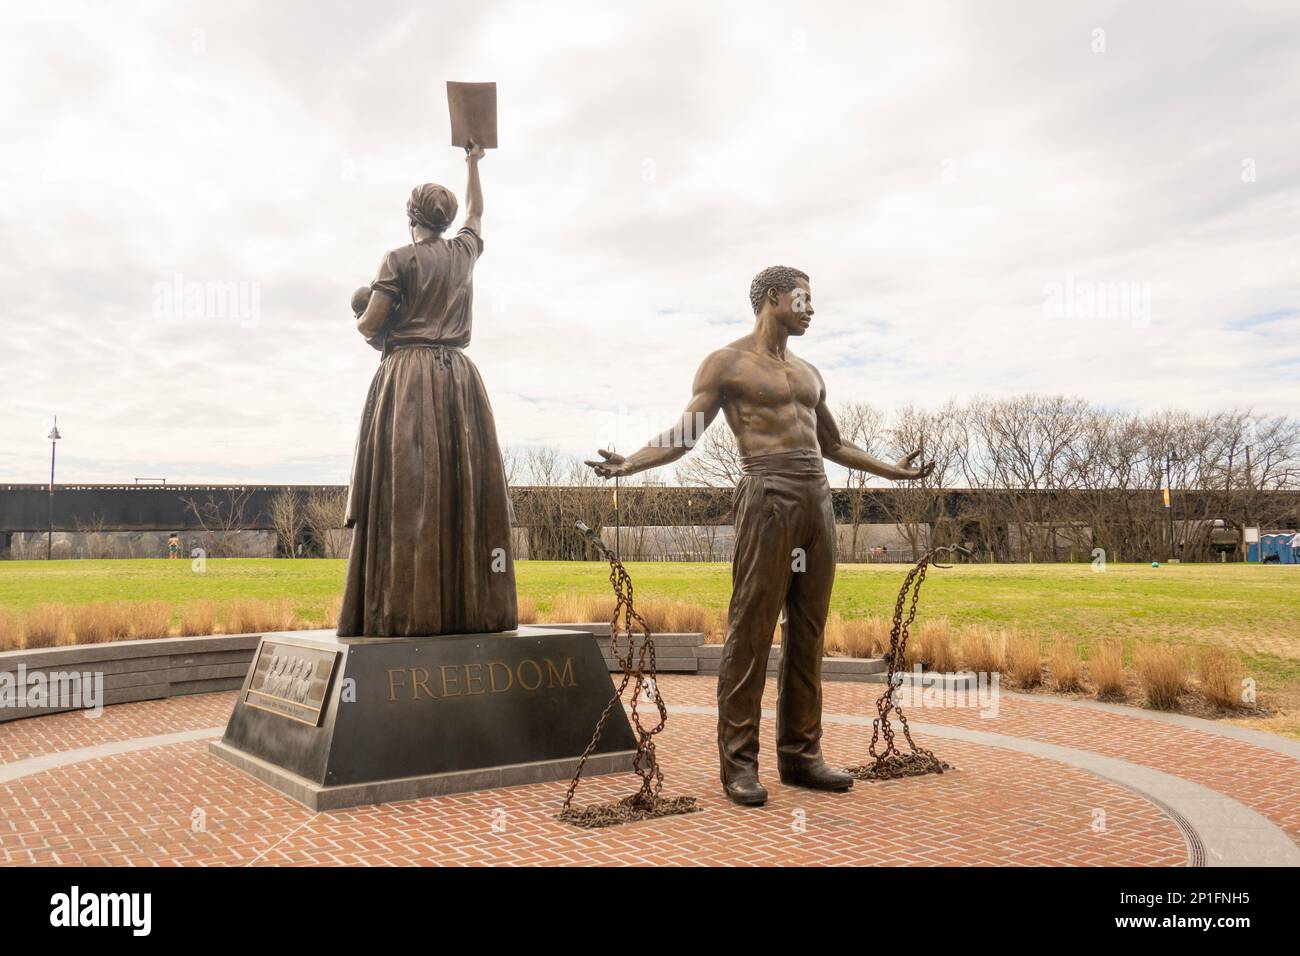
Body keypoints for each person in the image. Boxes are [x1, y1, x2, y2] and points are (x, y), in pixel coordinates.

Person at [585, 266, 932, 806]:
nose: (811, 309)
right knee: (751, 631)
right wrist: (631, 462)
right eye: (803, 299)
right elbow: (685, 436)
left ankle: (801, 756)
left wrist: (896, 471)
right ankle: (739, 765)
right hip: (767, 495)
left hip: (817, 499)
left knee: (809, 632)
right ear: (773, 298)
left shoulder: (810, 373)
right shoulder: (726, 363)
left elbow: (835, 447)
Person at [338, 143, 517, 637]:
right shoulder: (463, 253)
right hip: (459, 379)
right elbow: (478, 211)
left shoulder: (396, 259)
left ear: (410, 217)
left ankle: (407, 611)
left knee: (409, 493)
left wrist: (363, 315)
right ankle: (470, 608)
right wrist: (473, 163)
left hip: (410, 377)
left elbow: (371, 324)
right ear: (446, 218)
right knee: (462, 491)